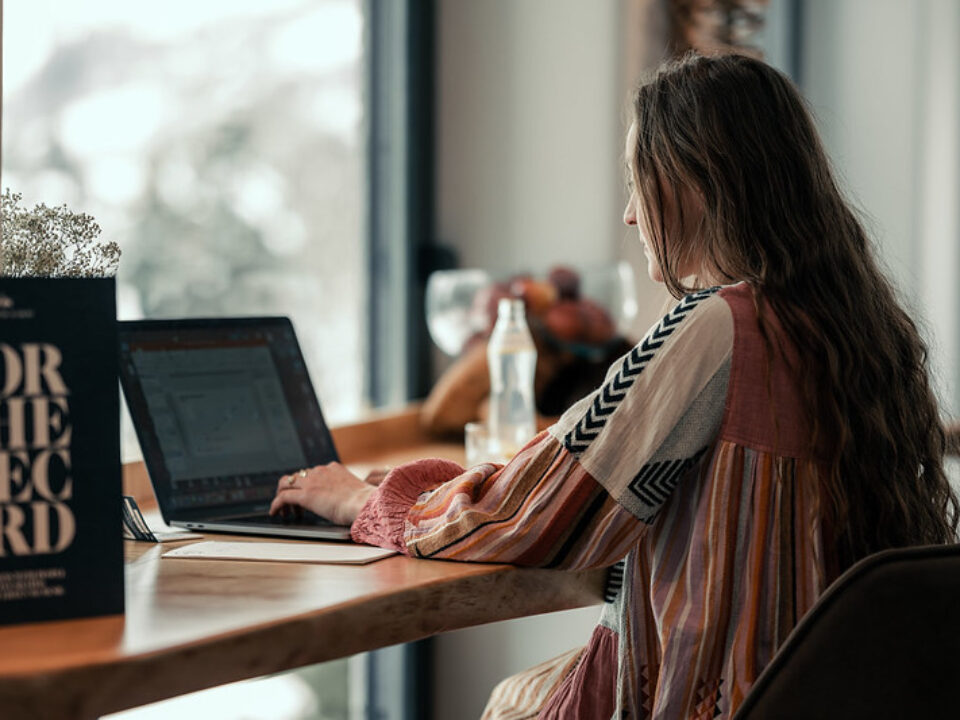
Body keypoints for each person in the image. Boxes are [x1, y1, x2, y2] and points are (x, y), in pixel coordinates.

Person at [270, 52, 959, 719]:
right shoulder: (852, 328)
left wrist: (367, 498)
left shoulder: (719, 324)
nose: (630, 216)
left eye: (637, 182)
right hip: (810, 693)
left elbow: (530, 509)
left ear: (693, 183)